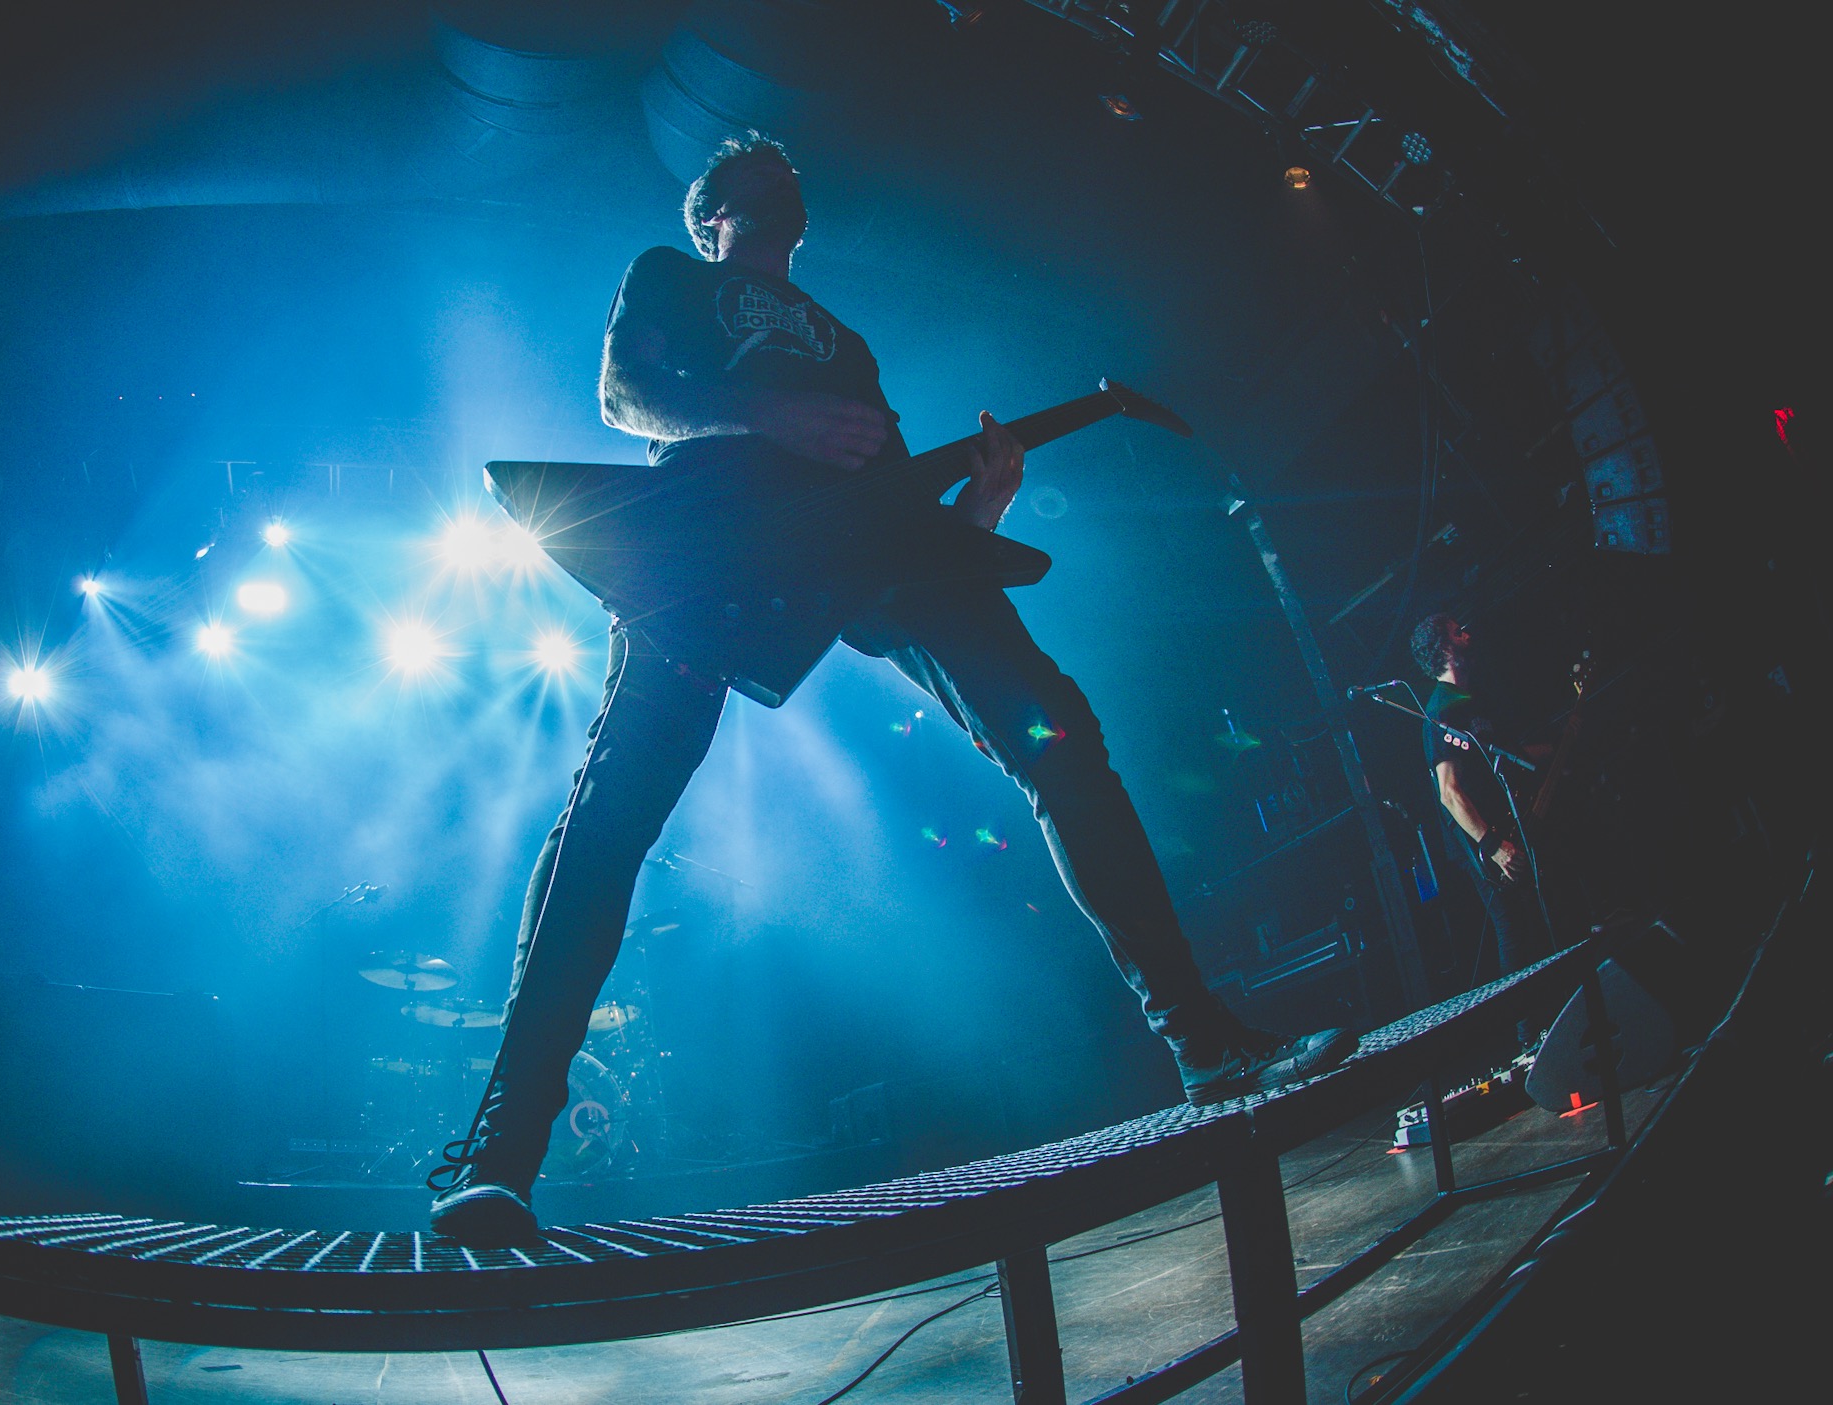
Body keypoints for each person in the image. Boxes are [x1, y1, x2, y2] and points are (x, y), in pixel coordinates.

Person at [430, 136, 1356, 1245]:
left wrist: (981, 510)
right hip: (717, 550)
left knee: (1059, 738)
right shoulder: (668, 276)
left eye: (788, 167)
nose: (781, 170)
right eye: (754, 167)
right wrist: (768, 417)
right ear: (712, 210)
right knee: (612, 814)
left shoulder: (846, 341)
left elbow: (894, 500)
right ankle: (499, 1152)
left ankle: (1205, 1043)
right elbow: (625, 395)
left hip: (877, 553)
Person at [1410, 614, 1553, 986]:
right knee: (1513, 927)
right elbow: (1449, 792)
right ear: (1444, 649)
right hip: (1483, 844)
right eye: (1458, 632)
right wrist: (1494, 846)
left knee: (1540, 917)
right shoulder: (1442, 711)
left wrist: (1560, 747)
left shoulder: (1473, 701)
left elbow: (1513, 755)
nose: (1467, 634)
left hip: (1511, 826)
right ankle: (1523, 1019)